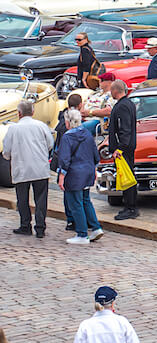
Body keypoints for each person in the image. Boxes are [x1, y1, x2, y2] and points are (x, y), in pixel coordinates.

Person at [3, 100, 53, 239]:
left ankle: (25, 225)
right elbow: (50, 144)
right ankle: (40, 227)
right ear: (33, 112)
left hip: (22, 168)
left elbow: (6, 151)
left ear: (19, 113)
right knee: (41, 199)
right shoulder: (41, 126)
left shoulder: (13, 129)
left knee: (22, 199)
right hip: (40, 168)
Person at [57, 109, 105, 244]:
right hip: (87, 171)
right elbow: (95, 154)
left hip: (74, 174)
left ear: (68, 122)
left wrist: (61, 176)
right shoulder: (87, 134)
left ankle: (82, 234)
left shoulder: (67, 137)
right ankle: (95, 227)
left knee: (75, 203)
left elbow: (64, 159)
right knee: (86, 200)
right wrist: (94, 168)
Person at [107, 80, 138, 220]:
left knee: (127, 178)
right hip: (127, 147)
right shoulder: (129, 104)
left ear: (115, 91)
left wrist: (120, 148)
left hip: (124, 149)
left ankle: (130, 207)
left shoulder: (122, 107)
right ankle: (129, 206)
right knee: (126, 176)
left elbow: (124, 129)